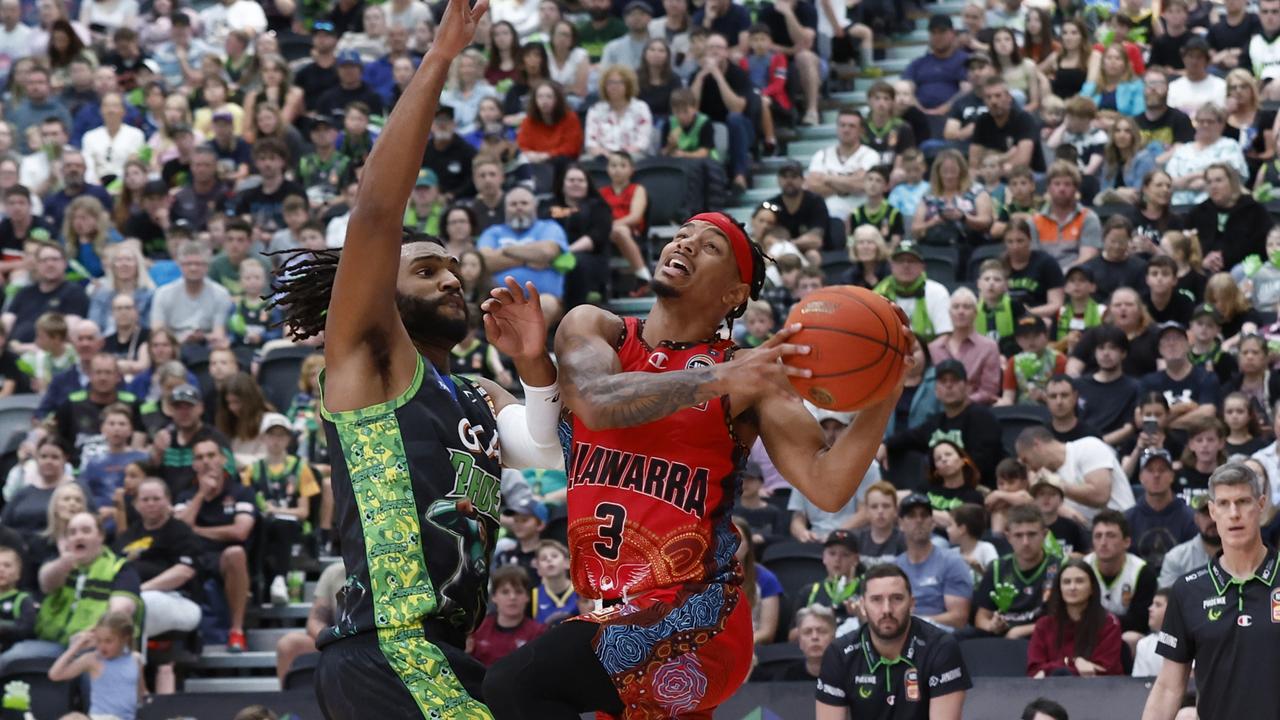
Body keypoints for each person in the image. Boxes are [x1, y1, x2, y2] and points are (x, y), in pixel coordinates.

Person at [270, 0, 568, 712]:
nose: (450, 279)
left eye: (455, 271)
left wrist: (534, 370)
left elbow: (544, 448)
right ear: (379, 290)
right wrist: (439, 59)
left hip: (439, 654)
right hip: (388, 646)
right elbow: (375, 211)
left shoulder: (472, 392)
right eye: (427, 270)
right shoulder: (369, 362)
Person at [484, 219, 903, 714]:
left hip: (698, 617)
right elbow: (595, 404)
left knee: (513, 687)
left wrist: (886, 384)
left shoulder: (754, 373)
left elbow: (828, 485)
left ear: (734, 293)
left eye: (711, 247)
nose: (685, 243)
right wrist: (721, 379)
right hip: (617, 613)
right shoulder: (596, 327)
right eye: (683, 234)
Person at [1143, 464, 1280, 719]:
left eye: (1243, 501)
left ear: (1261, 505)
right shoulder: (1188, 590)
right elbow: (1168, 687)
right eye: (1224, 504)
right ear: (1212, 511)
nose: (1234, 513)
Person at [815, 564, 971, 719]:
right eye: (876, 600)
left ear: (911, 603)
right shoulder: (840, 654)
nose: (887, 609)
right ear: (862, 606)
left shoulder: (940, 647)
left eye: (897, 598)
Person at [174, 438, 256, 653]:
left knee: (236, 553)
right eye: (200, 458)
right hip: (193, 557)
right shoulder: (186, 495)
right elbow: (179, 531)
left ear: (222, 459)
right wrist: (201, 494)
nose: (206, 462)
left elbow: (240, 532)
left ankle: (236, 631)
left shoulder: (241, 492)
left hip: (224, 557)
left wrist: (198, 531)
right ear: (193, 465)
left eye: (211, 455)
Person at [974, 504, 1061, 639]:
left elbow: (1067, 619)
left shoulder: (1060, 567)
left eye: (1032, 534)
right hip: (1003, 637)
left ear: (1044, 534)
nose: (1025, 542)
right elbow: (981, 617)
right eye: (1018, 535)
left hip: (1044, 636)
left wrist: (1021, 630)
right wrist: (992, 626)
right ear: (1008, 537)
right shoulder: (997, 568)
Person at [1026, 558, 1123, 677]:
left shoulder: (1109, 624)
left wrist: (1049, 669)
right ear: (1059, 588)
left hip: (1099, 691)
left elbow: (1103, 670)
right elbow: (1034, 670)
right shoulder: (1044, 625)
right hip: (1050, 692)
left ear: (1092, 587)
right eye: (1066, 582)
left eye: (1079, 581)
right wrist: (1074, 662)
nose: (1072, 587)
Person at [894, 494, 973, 630]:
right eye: (911, 516)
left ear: (933, 522)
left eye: (924, 515)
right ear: (901, 523)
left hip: (941, 635)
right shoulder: (895, 567)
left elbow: (959, 617)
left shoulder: (952, 562)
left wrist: (918, 622)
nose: (919, 520)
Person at [46, 611, 143, 720]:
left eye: (108, 641)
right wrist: (76, 646)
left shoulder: (135, 659)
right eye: (99, 640)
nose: (102, 646)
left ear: (125, 639)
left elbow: (141, 695)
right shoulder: (93, 659)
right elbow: (54, 674)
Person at [1085, 510, 1157, 641]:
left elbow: (1140, 622)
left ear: (1127, 542)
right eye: (1098, 536)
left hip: (1123, 636)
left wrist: (1099, 621)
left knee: (1131, 638)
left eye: (1111, 535)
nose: (1103, 542)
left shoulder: (1142, 572)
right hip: (1087, 633)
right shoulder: (1082, 568)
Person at [1126, 448, 1197, 570]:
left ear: (1172, 476)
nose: (1156, 475)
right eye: (1150, 470)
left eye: (1162, 470)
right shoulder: (1127, 519)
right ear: (1141, 477)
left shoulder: (1190, 518)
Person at [874, 240, 953, 343]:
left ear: (922, 266)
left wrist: (920, 354)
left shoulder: (937, 292)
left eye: (912, 261)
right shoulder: (879, 293)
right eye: (900, 261)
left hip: (929, 355)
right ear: (891, 266)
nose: (906, 265)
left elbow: (945, 335)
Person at [469, 565, 546, 666]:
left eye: (518, 592)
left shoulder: (539, 633)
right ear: (494, 597)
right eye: (505, 592)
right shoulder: (478, 629)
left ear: (527, 597)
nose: (512, 597)